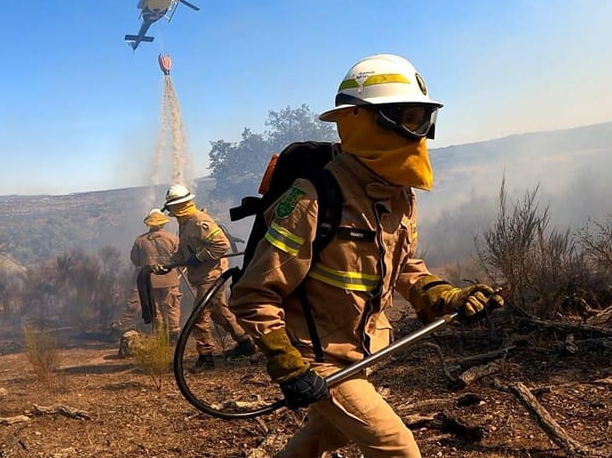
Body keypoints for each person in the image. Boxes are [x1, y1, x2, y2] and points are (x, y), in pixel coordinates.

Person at [229, 54, 504, 458]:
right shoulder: (313, 199)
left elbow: (403, 266)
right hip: (319, 360)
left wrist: (447, 297)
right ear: (362, 121)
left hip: (362, 351)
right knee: (398, 449)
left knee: (327, 433)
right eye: (408, 118)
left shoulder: (399, 195)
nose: (418, 134)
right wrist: (287, 364)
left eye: (423, 120)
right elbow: (253, 295)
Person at [161, 184, 256, 370]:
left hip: (212, 276)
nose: (171, 212)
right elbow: (183, 252)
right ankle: (245, 343)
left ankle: (206, 357)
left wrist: (199, 257)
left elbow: (221, 244)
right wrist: (168, 264)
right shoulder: (185, 224)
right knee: (220, 314)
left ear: (178, 206)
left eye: (172, 207)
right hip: (202, 276)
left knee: (199, 317)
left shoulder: (199, 221)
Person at [116, 209, 183, 341]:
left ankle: (160, 335)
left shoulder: (140, 240)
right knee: (172, 306)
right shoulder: (173, 239)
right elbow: (181, 257)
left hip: (150, 281)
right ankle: (174, 333)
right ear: (163, 223)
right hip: (170, 280)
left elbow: (135, 260)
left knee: (155, 308)